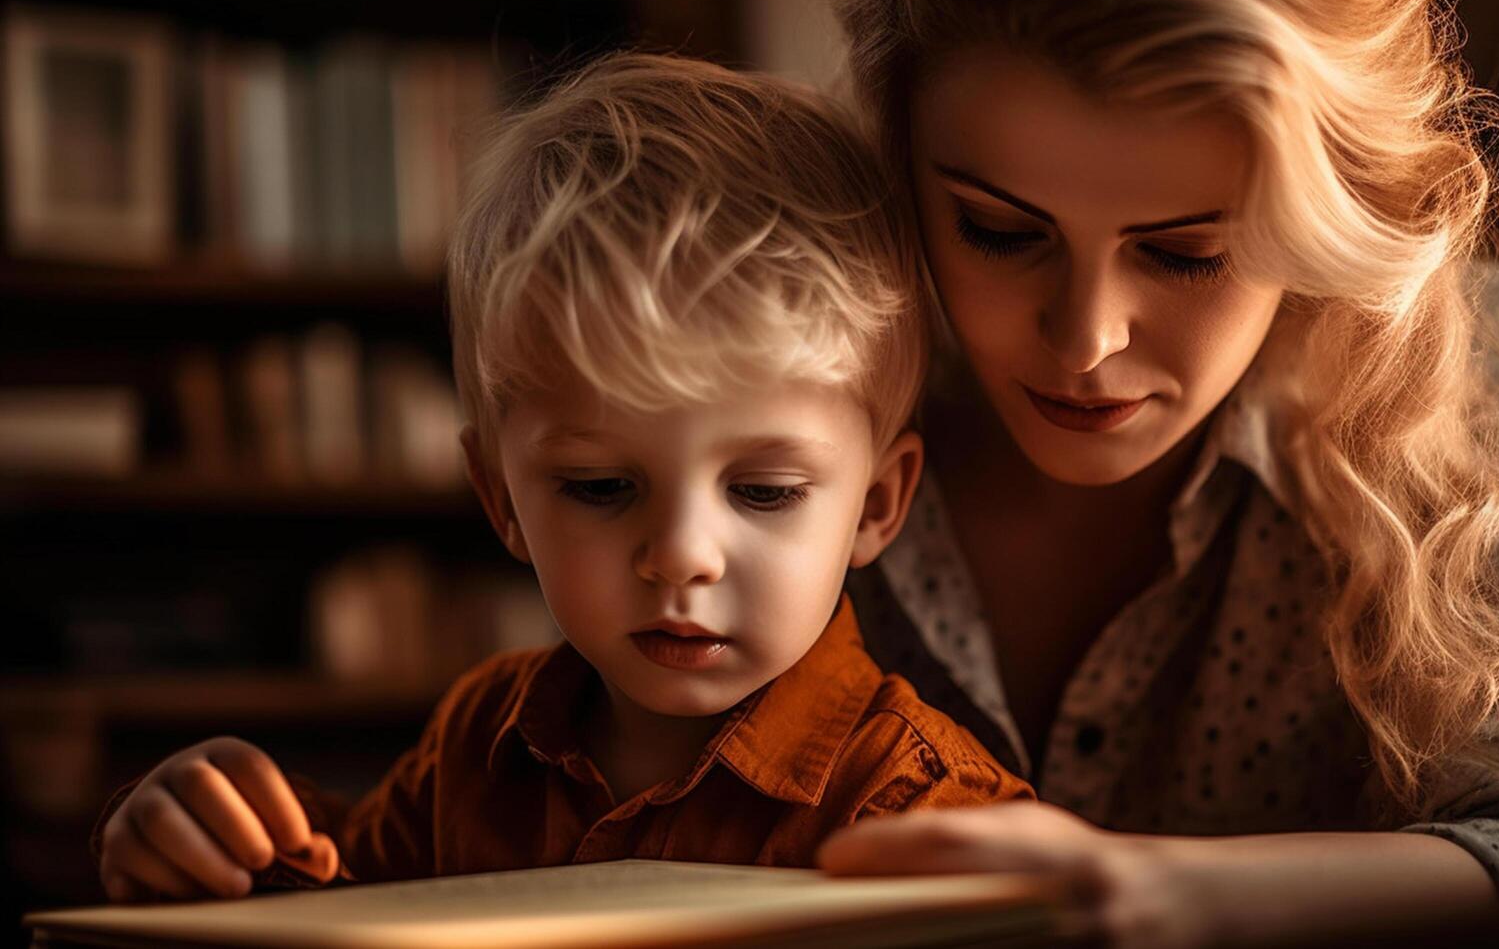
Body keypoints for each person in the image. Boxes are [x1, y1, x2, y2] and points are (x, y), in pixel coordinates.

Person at [814, 0, 1499, 944]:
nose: (1084, 342)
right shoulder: (786, 358)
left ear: (1324, 206)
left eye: (1184, 252)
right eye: (998, 231)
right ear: (900, 154)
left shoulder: (1484, 386)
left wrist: (1179, 894)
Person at [90, 52, 1031, 903]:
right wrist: (212, 848)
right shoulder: (475, 745)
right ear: (499, 496)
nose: (679, 558)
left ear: (876, 505)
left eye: (763, 492)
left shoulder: (925, 816)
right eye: (598, 486)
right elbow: (347, 903)